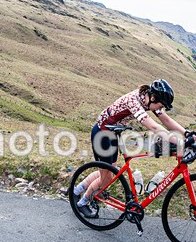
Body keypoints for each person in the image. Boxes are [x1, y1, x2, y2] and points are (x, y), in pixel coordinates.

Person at [73, 79, 189, 218]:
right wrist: (178, 141)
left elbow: (166, 120)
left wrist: (187, 134)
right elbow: (152, 126)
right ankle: (82, 202)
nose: (161, 109)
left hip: (111, 133)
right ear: (153, 98)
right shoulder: (134, 101)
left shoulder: (149, 99)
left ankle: (75, 191)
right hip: (102, 134)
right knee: (107, 178)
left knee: (109, 172)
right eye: (161, 105)